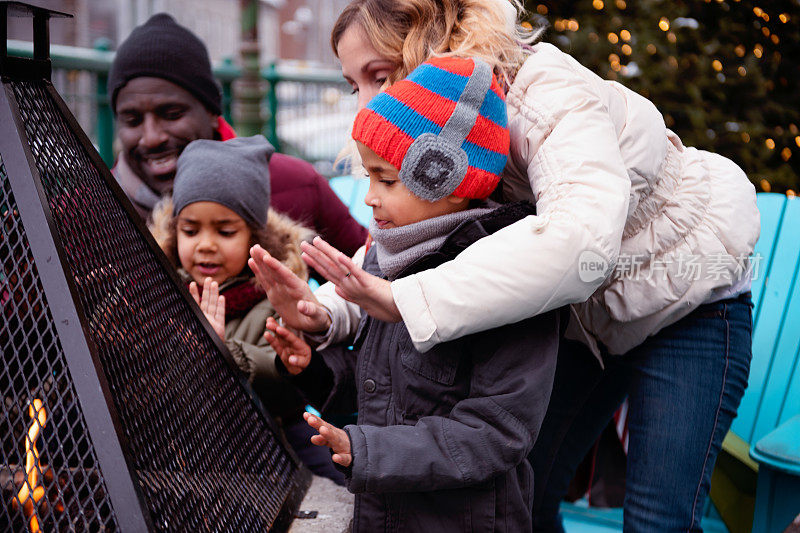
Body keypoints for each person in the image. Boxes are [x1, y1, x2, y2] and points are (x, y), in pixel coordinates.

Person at [254, 1, 761, 531]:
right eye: (352, 84)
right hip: (578, 317)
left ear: (428, 41)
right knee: (530, 487)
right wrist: (329, 310)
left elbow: (579, 241)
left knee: (659, 518)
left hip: (684, 300)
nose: (365, 102)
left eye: (379, 76)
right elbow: (410, 247)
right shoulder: (432, 127)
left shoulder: (541, 96)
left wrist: (402, 301)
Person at [256, 56, 561, 532]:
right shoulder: (391, 253)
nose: (370, 197)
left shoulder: (511, 275)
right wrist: (314, 368)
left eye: (387, 179)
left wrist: (369, 451)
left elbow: (496, 432)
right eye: (368, 175)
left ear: (447, 176)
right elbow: (382, 384)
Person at [150, 134, 344, 485]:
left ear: (254, 237)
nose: (205, 245)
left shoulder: (273, 301)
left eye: (225, 231)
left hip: (272, 441)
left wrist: (226, 353)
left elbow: (286, 387)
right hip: (182, 445)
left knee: (337, 490)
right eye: (190, 230)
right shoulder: (157, 289)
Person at [107, 13, 368, 259]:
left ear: (211, 111)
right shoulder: (87, 211)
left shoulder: (297, 185)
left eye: (172, 114)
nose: (152, 138)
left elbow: (370, 281)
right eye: (132, 120)